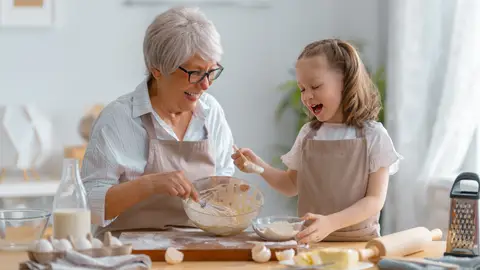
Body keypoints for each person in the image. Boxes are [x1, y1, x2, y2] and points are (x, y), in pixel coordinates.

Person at [81, 6, 235, 238]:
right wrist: (149, 185)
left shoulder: (211, 111)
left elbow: (224, 177)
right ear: (158, 70)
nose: (206, 85)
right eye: (194, 73)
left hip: (197, 245)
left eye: (211, 72)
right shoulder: (118, 119)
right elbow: (88, 207)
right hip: (127, 251)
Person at [232, 39, 402, 243]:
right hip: (310, 243)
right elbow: (291, 185)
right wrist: (257, 166)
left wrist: (331, 223)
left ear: (346, 81)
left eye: (315, 86)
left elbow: (374, 201)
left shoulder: (373, 135)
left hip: (360, 245)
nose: (307, 96)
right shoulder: (308, 134)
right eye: (302, 89)